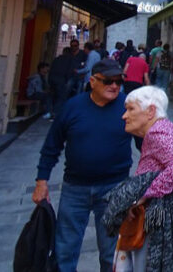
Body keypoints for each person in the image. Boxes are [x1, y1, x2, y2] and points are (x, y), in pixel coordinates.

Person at [32, 58, 133, 272]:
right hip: (75, 189)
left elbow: (149, 144)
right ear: (93, 81)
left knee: (112, 253)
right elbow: (52, 145)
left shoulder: (128, 107)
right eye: (108, 81)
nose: (114, 86)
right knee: (65, 250)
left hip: (114, 188)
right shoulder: (73, 107)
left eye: (118, 81)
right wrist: (42, 181)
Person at [109, 86, 173, 270]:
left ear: (150, 111)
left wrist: (145, 195)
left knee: (148, 260)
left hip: (156, 211)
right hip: (167, 210)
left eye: (131, 109)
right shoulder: (169, 128)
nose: (124, 116)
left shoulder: (156, 133)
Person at [49, 47, 74, 117]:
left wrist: (49, 81)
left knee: (54, 96)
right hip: (61, 80)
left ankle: (52, 111)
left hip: (53, 79)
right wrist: (67, 80)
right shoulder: (70, 60)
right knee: (61, 97)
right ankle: (56, 113)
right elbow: (69, 71)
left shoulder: (56, 59)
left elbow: (51, 70)